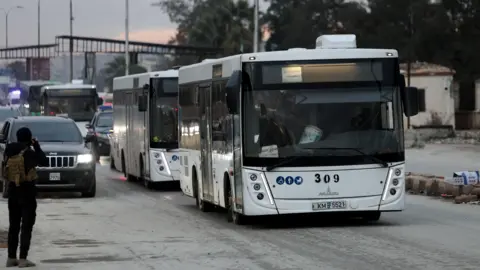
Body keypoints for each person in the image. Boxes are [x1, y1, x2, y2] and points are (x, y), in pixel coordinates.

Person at [4, 127, 48, 268]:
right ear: (29, 138)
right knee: (26, 226)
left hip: (12, 192)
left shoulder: (8, 150)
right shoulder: (29, 152)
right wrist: (36, 145)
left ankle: (11, 258)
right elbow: (44, 161)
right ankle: (23, 259)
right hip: (27, 193)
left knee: (14, 226)